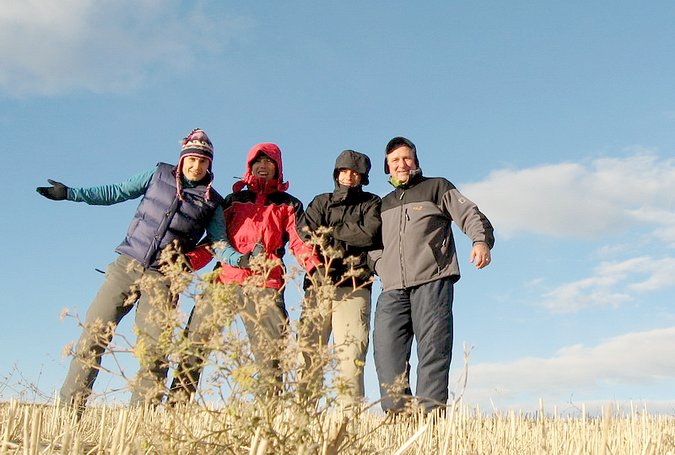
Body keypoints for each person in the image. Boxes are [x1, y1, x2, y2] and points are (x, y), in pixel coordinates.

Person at [36, 128, 237, 411]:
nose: (197, 166)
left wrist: (239, 259)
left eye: (203, 161)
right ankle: (70, 410)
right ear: (182, 159)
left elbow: (219, 243)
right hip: (126, 266)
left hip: (164, 279)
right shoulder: (158, 175)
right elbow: (116, 191)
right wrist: (71, 193)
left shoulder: (213, 201)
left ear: (210, 164)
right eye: (192, 159)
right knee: (93, 336)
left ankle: (141, 421)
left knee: (155, 351)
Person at [170, 142, 320, 401]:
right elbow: (216, 241)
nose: (263, 166)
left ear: (277, 168)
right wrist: (184, 263)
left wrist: (316, 269)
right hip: (225, 278)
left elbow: (299, 242)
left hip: (266, 284)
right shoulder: (233, 201)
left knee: (271, 350)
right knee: (195, 340)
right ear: (249, 167)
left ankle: (267, 410)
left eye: (269, 162)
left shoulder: (288, 204)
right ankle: (177, 404)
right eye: (257, 162)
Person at [369, 136, 495, 414]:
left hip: (432, 280)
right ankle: (399, 420)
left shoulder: (437, 187)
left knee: (433, 352)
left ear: (416, 160)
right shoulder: (383, 204)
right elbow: (373, 244)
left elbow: (471, 214)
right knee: (386, 354)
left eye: (406, 158)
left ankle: (429, 421)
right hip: (391, 289)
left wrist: (480, 241)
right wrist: (380, 265)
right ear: (387, 168)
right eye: (394, 161)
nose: (401, 164)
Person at [299, 149, 381, 406]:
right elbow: (305, 233)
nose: (349, 176)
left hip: (354, 286)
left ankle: (349, 419)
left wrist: (330, 231)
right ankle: (304, 415)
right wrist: (347, 233)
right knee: (308, 352)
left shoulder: (372, 202)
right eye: (344, 171)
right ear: (336, 173)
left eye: (356, 173)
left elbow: (369, 234)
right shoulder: (321, 201)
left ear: (363, 177)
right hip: (318, 286)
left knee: (351, 354)